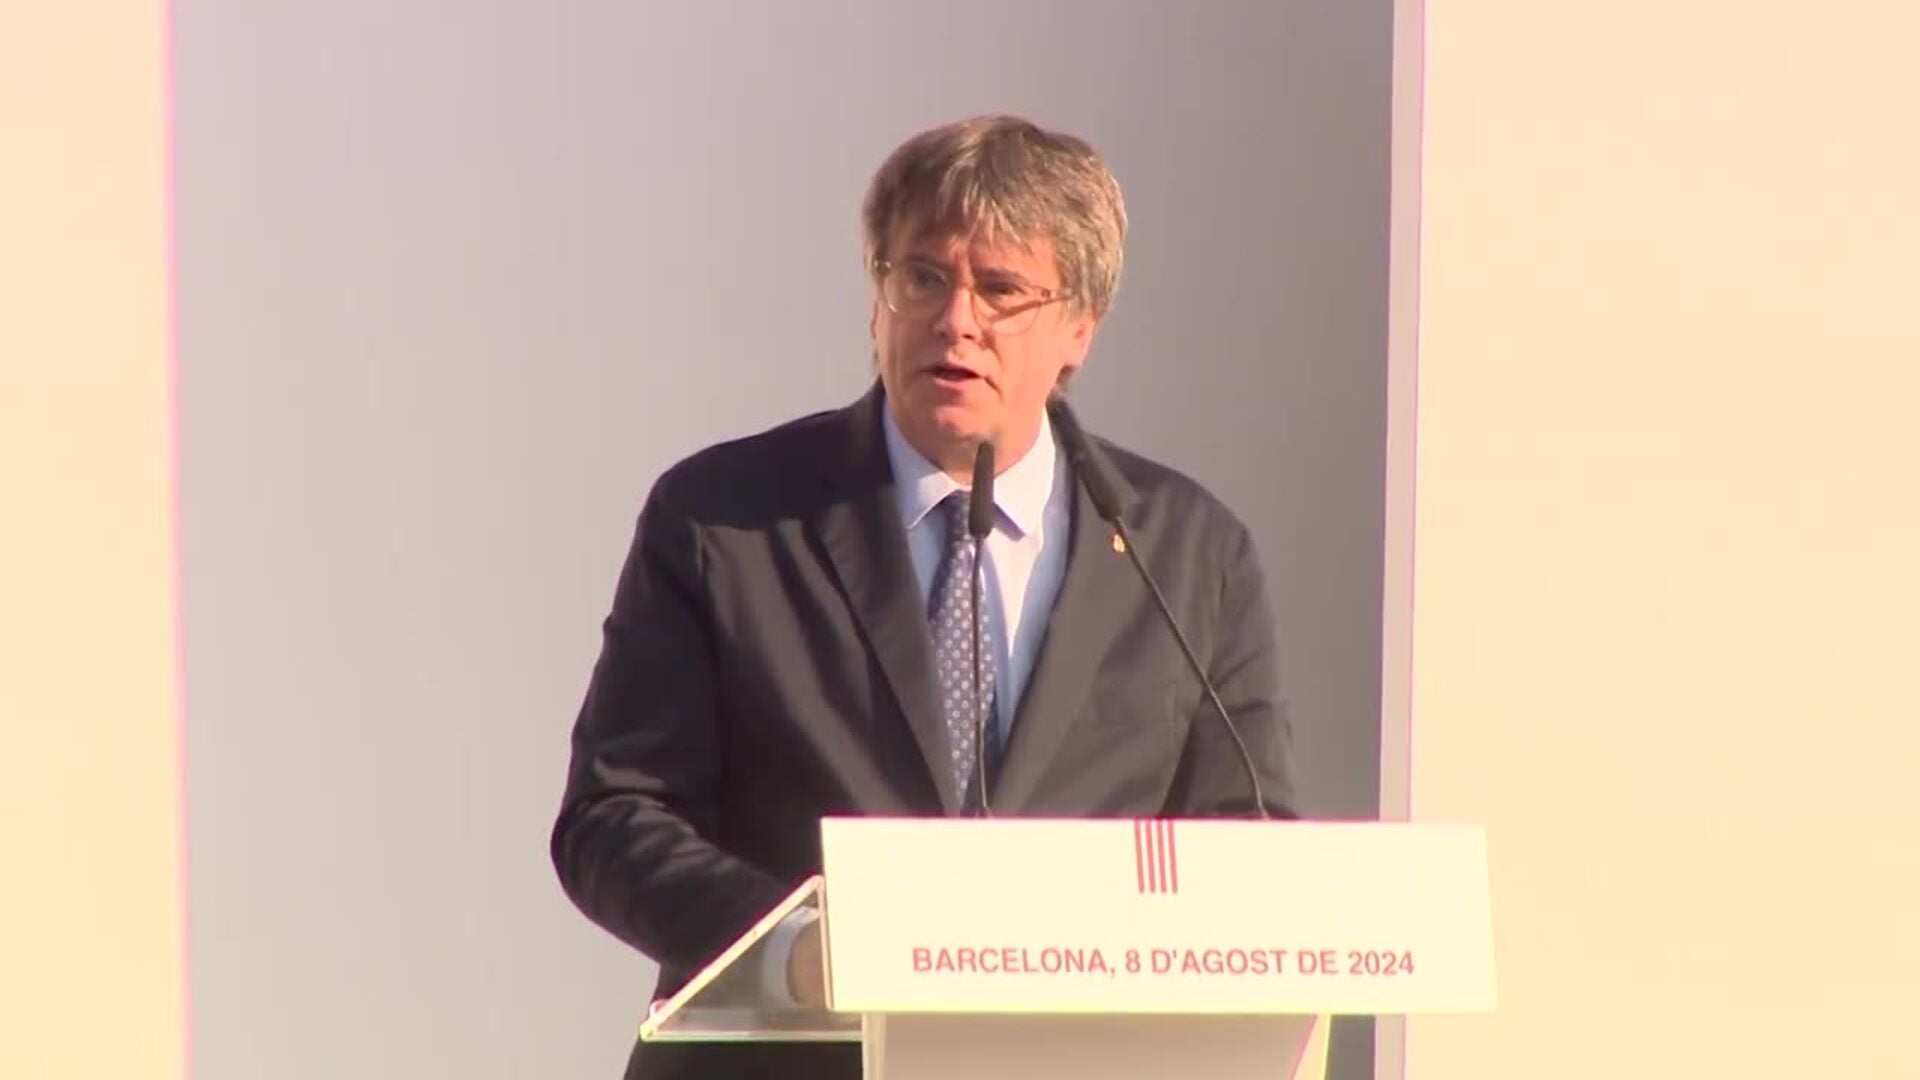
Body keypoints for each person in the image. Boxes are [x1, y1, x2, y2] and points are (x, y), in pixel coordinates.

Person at [550, 113, 1299, 1080]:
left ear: (1079, 327)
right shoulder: (726, 520)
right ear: (878, 302)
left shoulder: (1189, 554)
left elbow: (1246, 849)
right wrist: (793, 949)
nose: (957, 321)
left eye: (1002, 290)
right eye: (924, 278)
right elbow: (615, 816)